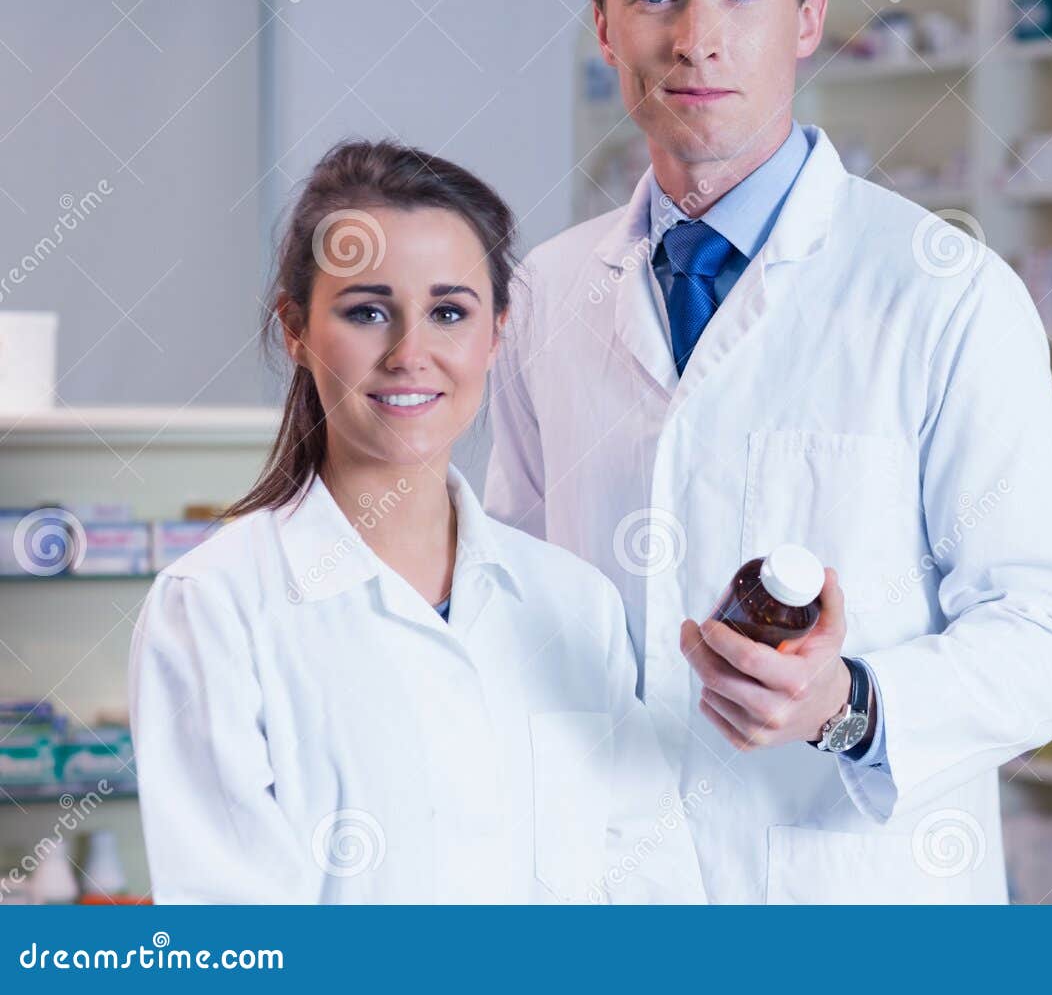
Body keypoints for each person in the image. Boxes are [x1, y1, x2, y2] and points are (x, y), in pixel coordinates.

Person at [485, 0, 1052, 904]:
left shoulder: (943, 292)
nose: (696, 37)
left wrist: (848, 701)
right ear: (603, 27)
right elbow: (517, 599)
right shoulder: (545, 291)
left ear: (808, 19)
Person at [129, 140, 704, 904]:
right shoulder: (213, 607)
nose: (410, 352)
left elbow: (652, 889)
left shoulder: (574, 603)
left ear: (497, 333)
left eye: (448, 312)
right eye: (368, 310)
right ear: (296, 329)